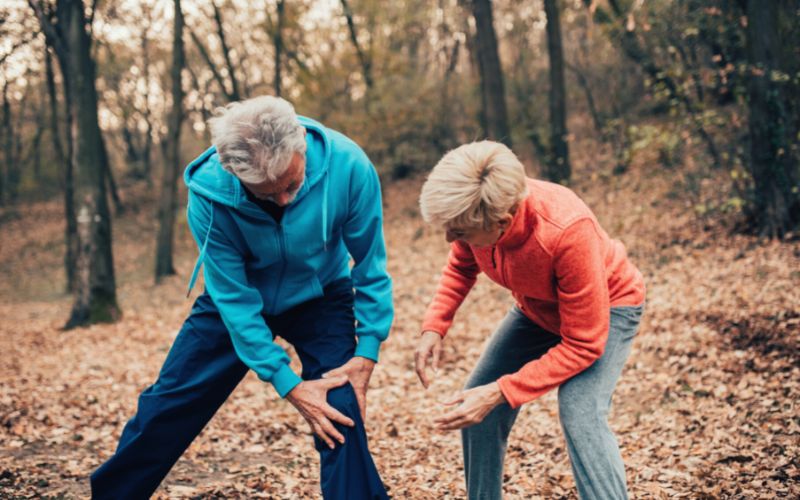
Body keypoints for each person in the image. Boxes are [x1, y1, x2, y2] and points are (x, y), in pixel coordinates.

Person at [91, 96, 393, 500]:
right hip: (236, 298)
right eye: (265, 195)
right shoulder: (208, 195)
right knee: (168, 404)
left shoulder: (350, 167)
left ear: (301, 143)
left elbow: (370, 265)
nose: (283, 200)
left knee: (339, 403)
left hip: (322, 291)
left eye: (290, 185)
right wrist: (285, 382)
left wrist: (368, 347)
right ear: (231, 172)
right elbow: (234, 299)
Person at [414, 141, 646, 500]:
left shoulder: (566, 231)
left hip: (610, 307)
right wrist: (435, 325)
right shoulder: (476, 215)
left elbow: (584, 343)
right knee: (476, 406)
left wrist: (501, 390)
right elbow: (461, 265)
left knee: (580, 410)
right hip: (537, 309)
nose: (450, 239)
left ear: (502, 223)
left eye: (458, 232)